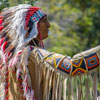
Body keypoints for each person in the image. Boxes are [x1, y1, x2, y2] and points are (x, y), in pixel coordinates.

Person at [0, 4, 100, 100]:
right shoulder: (31, 54)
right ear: (28, 27)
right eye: (44, 21)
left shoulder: (13, 58)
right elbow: (72, 66)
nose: (49, 25)